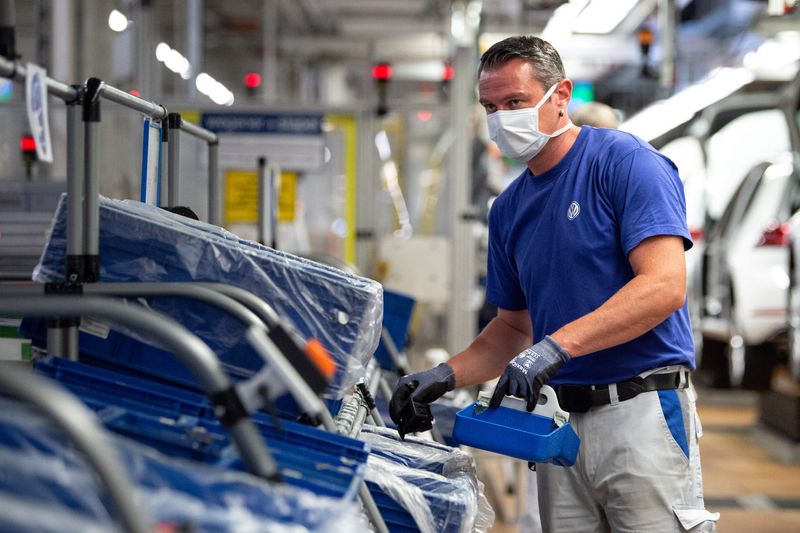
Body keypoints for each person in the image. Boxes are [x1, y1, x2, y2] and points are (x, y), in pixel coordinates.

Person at [389, 35, 718, 532]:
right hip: (556, 426)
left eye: (515, 102)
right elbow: (512, 331)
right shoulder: (509, 210)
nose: (501, 118)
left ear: (560, 95)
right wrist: (442, 376)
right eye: (490, 107)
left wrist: (555, 348)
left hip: (640, 414)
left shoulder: (624, 163)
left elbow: (664, 286)